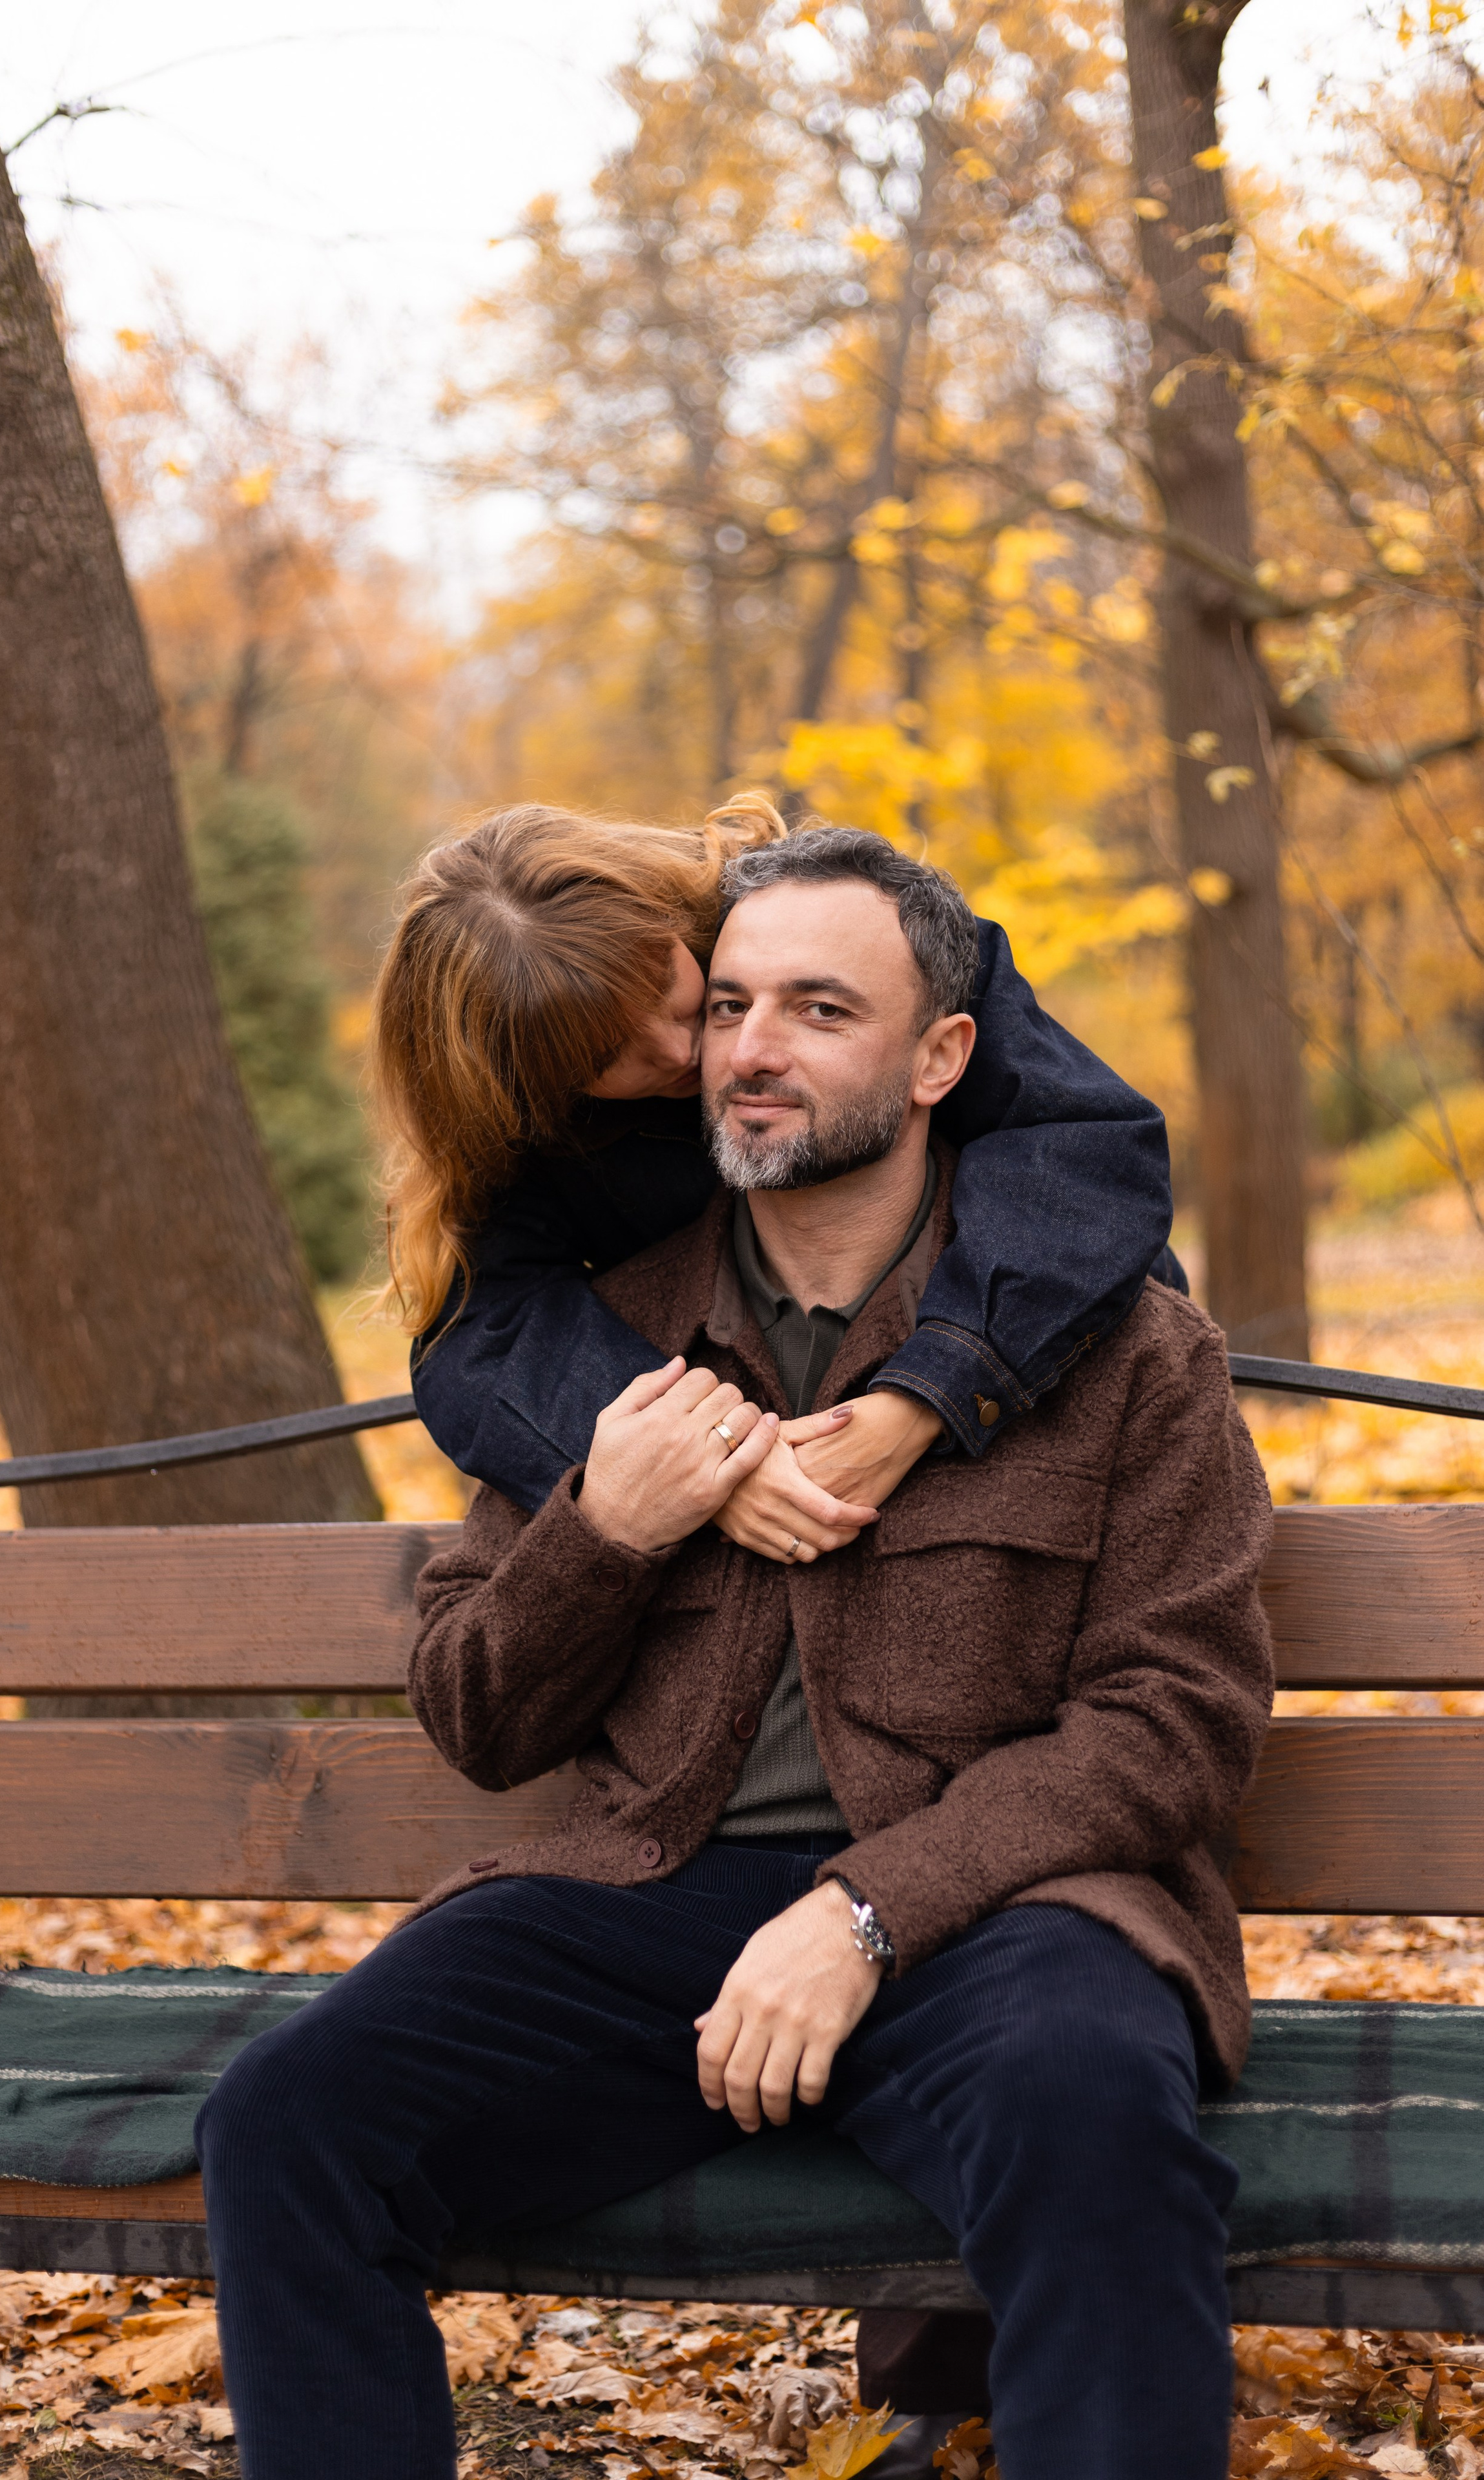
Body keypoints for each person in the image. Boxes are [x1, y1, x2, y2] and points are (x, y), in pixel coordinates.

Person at [198, 829, 1275, 2480]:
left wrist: (863, 1912)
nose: (748, 1046)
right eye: (731, 1009)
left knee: (1088, 2112)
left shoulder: (1118, 1338)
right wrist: (603, 1529)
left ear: (940, 1058)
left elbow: (1172, 1719)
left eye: (818, 1006)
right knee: (287, 2121)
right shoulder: (586, 1341)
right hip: (653, 1897)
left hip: (1001, 1908)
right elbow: (477, 1714)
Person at [375, 792, 1186, 1564]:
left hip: (1021, 1358)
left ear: (665, 919)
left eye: (669, 990)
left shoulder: (843, 930)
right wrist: (705, 1462)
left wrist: (934, 1392)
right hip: (751, 1384)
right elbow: (481, 1331)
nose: (681, 1053)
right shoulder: (522, 1127)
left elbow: (1086, 1147)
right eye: (603, 1056)